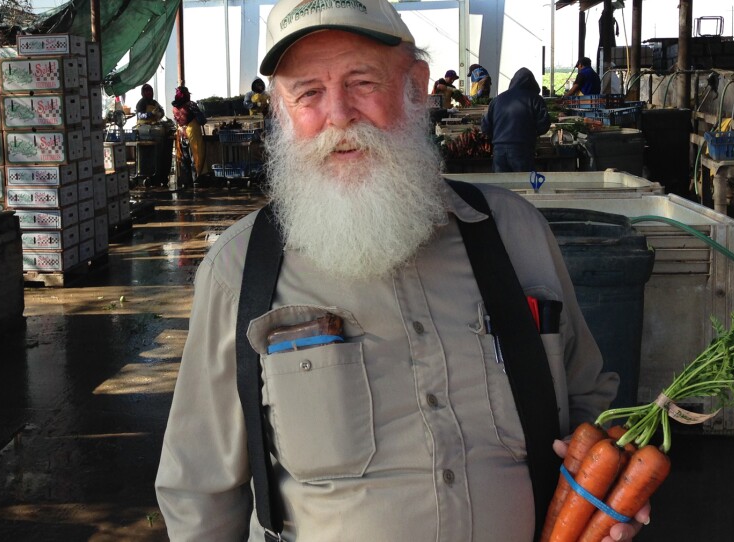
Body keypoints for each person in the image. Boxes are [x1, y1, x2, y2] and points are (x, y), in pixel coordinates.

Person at [156, 0, 651, 539]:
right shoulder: (239, 272)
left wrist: (608, 492)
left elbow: (590, 405)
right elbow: (199, 493)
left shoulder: (516, 235)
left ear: (416, 87)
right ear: (281, 111)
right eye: (309, 94)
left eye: (362, 82)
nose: (339, 114)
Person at [481, 67, 552, 173]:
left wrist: (498, 137)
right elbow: (544, 124)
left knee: (501, 186)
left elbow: (485, 127)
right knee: (523, 185)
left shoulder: (497, 100)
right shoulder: (535, 99)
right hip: (523, 149)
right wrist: (532, 133)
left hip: (499, 150)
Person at [171, 86, 206, 184]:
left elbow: (176, 120)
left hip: (181, 135)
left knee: (184, 161)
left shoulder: (174, 107)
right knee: (195, 160)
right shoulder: (191, 105)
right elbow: (202, 120)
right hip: (192, 135)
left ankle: (186, 184)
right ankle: (196, 181)